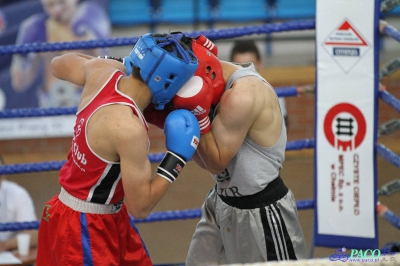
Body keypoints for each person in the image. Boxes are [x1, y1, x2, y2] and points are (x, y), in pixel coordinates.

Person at [36, 33, 200, 265]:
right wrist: (177, 158)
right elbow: (141, 206)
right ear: (165, 83)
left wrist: (118, 61)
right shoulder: (128, 128)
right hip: (85, 230)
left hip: (98, 214)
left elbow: (57, 64)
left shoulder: (102, 71)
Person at [170, 34, 307, 264]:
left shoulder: (243, 93)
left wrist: (193, 115)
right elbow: (205, 160)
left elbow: (216, 162)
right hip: (221, 201)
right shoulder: (206, 86)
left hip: (263, 211)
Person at [10, 0, 110, 108]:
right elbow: (19, 84)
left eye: (61, 3)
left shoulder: (87, 29)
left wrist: (95, 41)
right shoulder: (41, 31)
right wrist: (20, 56)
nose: (56, 10)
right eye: (50, 5)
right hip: (50, 106)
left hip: (87, 103)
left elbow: (107, 72)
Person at [230, 39, 289, 129]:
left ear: (260, 64)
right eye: (240, 66)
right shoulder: (224, 96)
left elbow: (282, 133)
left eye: (250, 66)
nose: (246, 72)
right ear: (231, 66)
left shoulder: (275, 95)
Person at [0, 156, 38, 252]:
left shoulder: (17, 193)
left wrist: (5, 245)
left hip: (9, 256)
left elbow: (33, 235)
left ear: (4, 174)